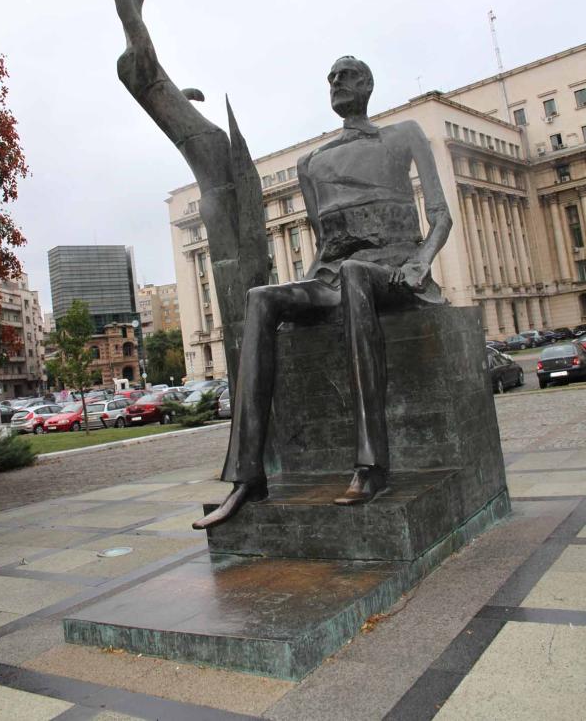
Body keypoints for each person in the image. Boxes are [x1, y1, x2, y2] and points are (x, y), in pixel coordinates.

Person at [193, 56, 452, 530]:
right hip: (336, 274)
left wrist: (420, 262)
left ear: (368, 84)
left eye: (346, 75)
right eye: (331, 78)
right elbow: (321, 243)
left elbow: (440, 216)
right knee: (262, 298)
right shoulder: (310, 164)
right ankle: (248, 476)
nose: (336, 83)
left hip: (394, 269)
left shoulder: (405, 134)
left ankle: (372, 466)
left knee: (355, 272)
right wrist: (301, 294)